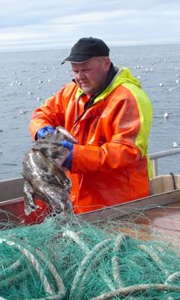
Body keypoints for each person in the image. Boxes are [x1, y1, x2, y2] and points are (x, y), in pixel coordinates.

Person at [28, 37, 153, 214]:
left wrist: (73, 156)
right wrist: (42, 130)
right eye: (75, 71)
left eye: (86, 70)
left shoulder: (128, 98)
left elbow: (126, 151)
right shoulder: (70, 92)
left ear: (106, 63)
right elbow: (42, 114)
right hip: (79, 200)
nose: (80, 77)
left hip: (121, 203)